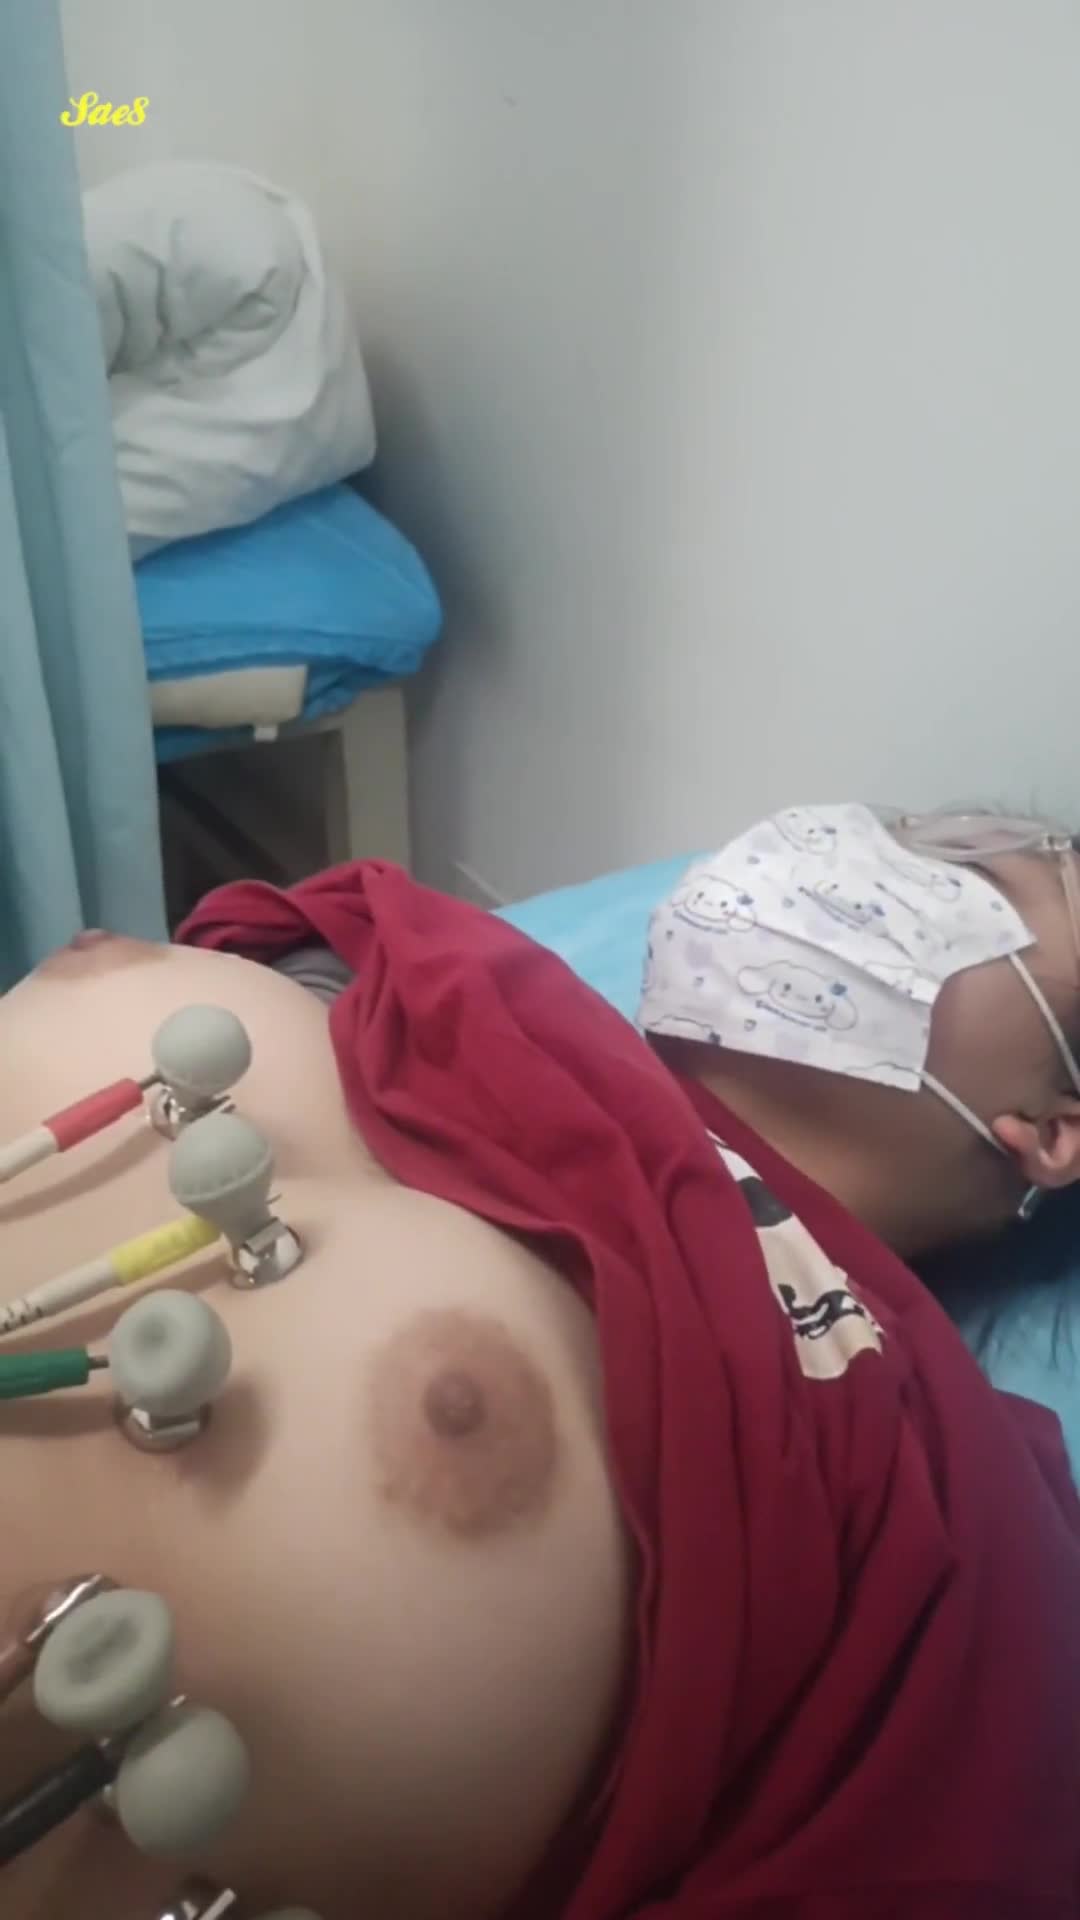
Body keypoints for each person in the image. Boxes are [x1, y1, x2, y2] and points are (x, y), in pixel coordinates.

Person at [1, 802, 1079, 1920]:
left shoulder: (954, 1484)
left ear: (1053, 1129)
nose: (862, 858)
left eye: (983, 882)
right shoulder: (448, 968)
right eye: (907, 834)